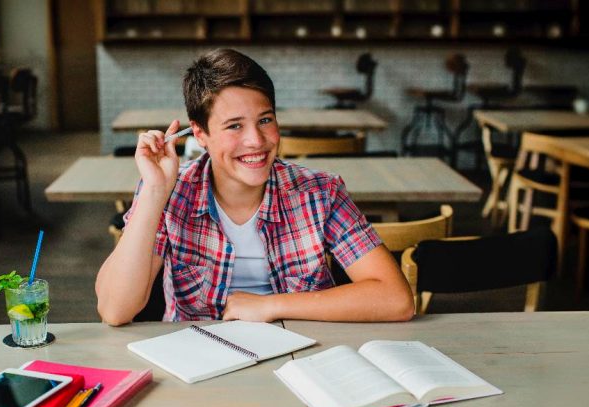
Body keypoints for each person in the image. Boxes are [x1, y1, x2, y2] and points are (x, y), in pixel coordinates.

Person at [96, 48, 412, 325]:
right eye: (234, 125)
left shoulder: (320, 192)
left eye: (265, 120)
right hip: (198, 364)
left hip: (304, 359)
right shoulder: (168, 192)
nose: (256, 141)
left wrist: (270, 306)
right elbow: (114, 310)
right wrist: (154, 192)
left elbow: (396, 300)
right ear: (200, 134)